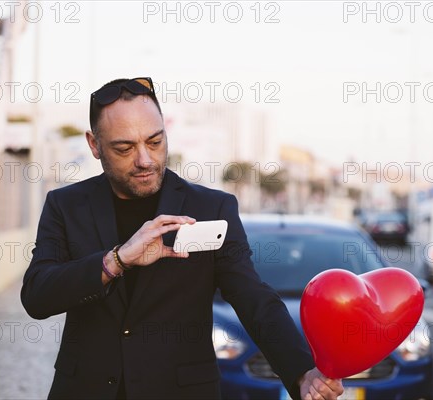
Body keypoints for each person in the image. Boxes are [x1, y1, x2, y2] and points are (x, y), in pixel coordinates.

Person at [21, 77, 344, 400]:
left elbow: (253, 297)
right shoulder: (65, 205)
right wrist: (115, 261)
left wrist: (301, 372)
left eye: (155, 141)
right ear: (94, 145)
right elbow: (37, 295)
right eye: (125, 148)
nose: (145, 159)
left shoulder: (212, 207)